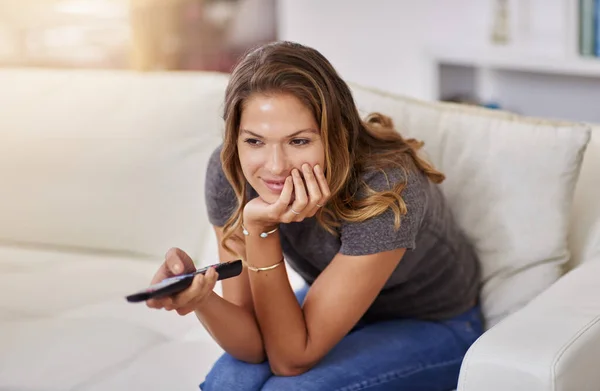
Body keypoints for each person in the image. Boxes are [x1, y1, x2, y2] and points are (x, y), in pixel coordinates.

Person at [146, 41, 483, 391]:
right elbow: (250, 345)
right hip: (332, 305)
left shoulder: (386, 186)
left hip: (434, 321)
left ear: (335, 133)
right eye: (255, 141)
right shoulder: (229, 171)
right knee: (227, 383)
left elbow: (290, 361)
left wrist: (260, 229)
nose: (275, 167)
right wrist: (201, 298)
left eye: (299, 141)